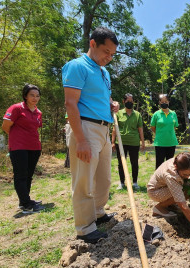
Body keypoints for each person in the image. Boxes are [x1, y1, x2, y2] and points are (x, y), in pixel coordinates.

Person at [62, 27, 120, 244]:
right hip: (85, 128)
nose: (109, 57)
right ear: (92, 44)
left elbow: (102, 97)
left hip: (104, 129)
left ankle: (97, 212)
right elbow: (71, 103)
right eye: (106, 51)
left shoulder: (104, 73)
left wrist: (111, 104)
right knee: (84, 180)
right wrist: (82, 140)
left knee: (103, 179)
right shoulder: (77, 66)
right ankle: (85, 228)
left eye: (112, 54)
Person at [147, 152, 190, 246]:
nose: (188, 176)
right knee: (185, 192)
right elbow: (183, 206)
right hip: (155, 191)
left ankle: (170, 205)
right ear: (176, 167)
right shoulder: (171, 175)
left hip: (166, 187)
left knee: (189, 186)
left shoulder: (189, 164)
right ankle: (159, 208)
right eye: (185, 175)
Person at [2, 84, 45, 213]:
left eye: (37, 96)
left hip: (34, 147)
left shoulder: (38, 112)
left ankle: (24, 201)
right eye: (32, 95)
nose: (35, 98)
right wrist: (18, 137)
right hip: (18, 147)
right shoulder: (16, 108)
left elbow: (36, 128)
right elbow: (5, 126)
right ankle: (26, 204)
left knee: (28, 175)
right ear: (25, 95)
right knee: (20, 175)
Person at [112, 93, 145, 190]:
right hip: (121, 143)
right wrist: (113, 142)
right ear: (123, 102)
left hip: (134, 143)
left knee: (134, 163)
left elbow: (140, 130)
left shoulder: (137, 115)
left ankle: (135, 183)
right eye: (127, 101)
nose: (129, 103)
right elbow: (114, 129)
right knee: (121, 163)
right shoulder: (118, 114)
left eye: (131, 101)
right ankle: (122, 183)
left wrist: (142, 142)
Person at [151, 94, 179, 169]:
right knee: (159, 164)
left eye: (166, 101)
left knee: (170, 164)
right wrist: (160, 134)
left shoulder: (173, 114)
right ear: (159, 103)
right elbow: (153, 127)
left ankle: (168, 180)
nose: (164, 103)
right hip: (160, 143)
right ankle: (158, 180)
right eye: (162, 101)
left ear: (168, 102)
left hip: (171, 142)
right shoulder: (156, 114)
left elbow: (175, 126)